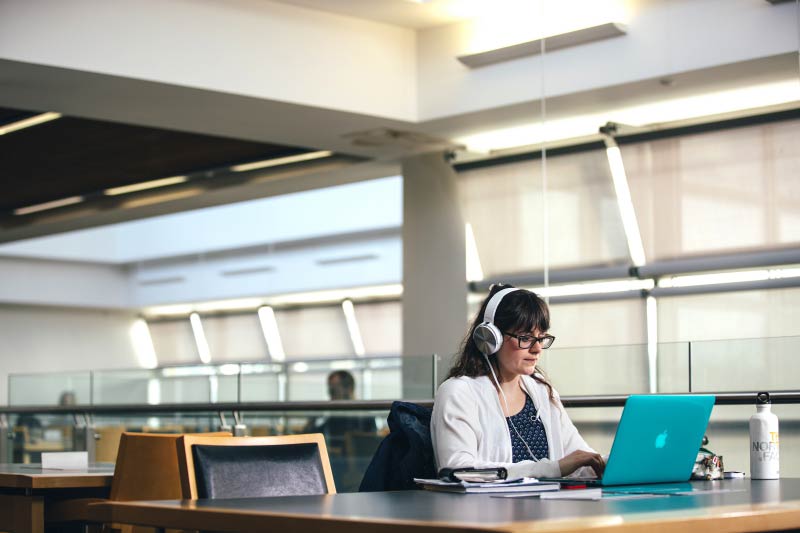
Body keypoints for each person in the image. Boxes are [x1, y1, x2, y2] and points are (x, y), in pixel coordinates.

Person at [431, 284, 605, 480]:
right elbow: (458, 469)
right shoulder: (459, 392)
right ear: (490, 338)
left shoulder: (541, 390)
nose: (537, 348)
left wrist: (608, 464)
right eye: (525, 338)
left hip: (548, 508)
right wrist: (551, 469)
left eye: (541, 338)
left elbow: (579, 460)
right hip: (486, 509)